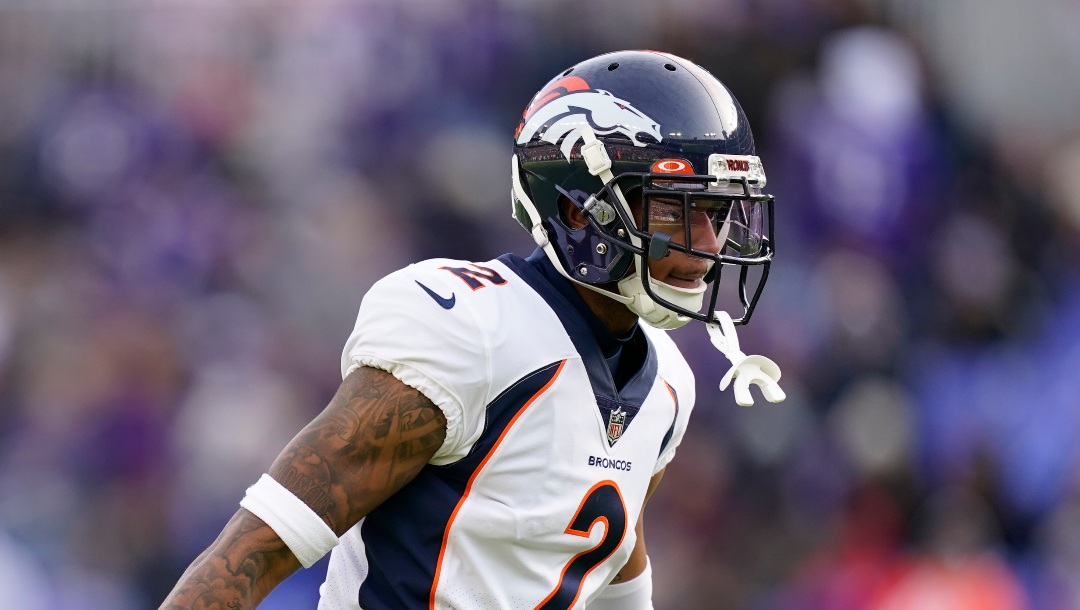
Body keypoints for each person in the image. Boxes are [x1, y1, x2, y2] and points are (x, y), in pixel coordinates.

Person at [160, 49, 784, 610]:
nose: (708, 244)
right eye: (675, 209)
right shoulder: (472, 329)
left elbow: (614, 569)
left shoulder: (667, 382)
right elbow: (259, 547)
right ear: (577, 211)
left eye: (717, 211)